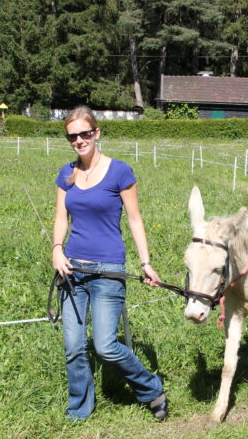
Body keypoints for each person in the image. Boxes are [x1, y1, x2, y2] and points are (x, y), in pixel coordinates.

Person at [51, 106, 168, 421]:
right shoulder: (66, 174)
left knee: (104, 346)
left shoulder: (120, 172)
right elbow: (61, 217)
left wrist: (145, 262)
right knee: (74, 346)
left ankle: (151, 388)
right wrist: (57, 249)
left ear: (96, 133)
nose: (79, 140)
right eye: (72, 136)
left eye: (84, 134)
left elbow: (134, 219)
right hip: (72, 269)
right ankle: (78, 410)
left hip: (107, 270)